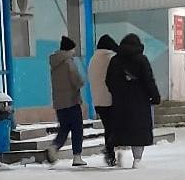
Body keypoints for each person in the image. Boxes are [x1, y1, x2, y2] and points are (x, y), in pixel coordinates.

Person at [105, 33, 161, 168]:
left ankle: (119, 154)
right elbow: (149, 80)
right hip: (139, 102)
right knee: (138, 131)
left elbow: (108, 81)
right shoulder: (141, 60)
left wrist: (117, 92)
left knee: (119, 129)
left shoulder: (114, 61)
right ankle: (137, 159)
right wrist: (155, 97)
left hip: (120, 102)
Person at [44, 35, 87, 166]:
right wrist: (82, 82)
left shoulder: (55, 63)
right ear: (68, 50)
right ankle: (77, 156)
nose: (74, 52)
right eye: (73, 49)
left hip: (59, 102)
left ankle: (54, 146)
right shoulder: (69, 63)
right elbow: (77, 81)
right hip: (72, 101)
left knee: (64, 128)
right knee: (77, 129)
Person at [87, 34, 119, 166]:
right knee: (114, 127)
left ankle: (110, 153)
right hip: (110, 99)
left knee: (109, 127)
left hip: (97, 100)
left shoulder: (93, 59)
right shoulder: (111, 58)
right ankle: (110, 149)